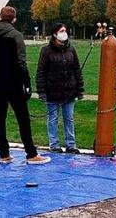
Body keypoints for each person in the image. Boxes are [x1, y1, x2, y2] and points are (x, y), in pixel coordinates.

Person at [0, 6, 50, 165]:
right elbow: (21, 62)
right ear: (14, 19)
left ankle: (4, 154)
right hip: (14, 82)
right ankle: (31, 154)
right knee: (23, 118)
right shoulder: (16, 35)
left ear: (0, 16)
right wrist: (27, 83)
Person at [36, 23, 84, 154]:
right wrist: (41, 92)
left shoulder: (71, 50)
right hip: (52, 92)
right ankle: (54, 144)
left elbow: (77, 70)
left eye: (65, 30)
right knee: (53, 118)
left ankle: (71, 144)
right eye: (61, 30)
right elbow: (41, 72)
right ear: (54, 34)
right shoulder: (46, 51)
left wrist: (80, 89)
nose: (64, 32)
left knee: (69, 118)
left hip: (69, 92)